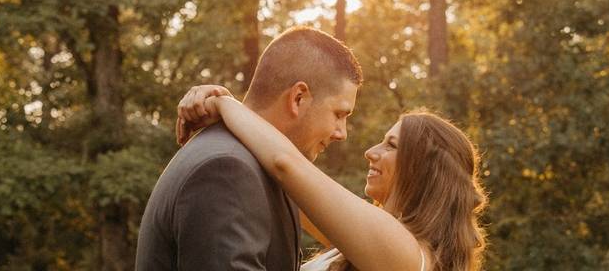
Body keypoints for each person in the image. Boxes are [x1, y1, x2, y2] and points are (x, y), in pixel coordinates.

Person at [176, 89, 488, 271]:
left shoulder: (406, 256)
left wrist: (223, 102)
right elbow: (277, 185)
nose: (370, 152)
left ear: (424, 171)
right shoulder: (376, 247)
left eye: (391, 145)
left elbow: (286, 165)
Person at [135, 27, 362, 271]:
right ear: (298, 98)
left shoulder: (249, 163)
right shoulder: (228, 169)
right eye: (339, 114)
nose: (342, 133)